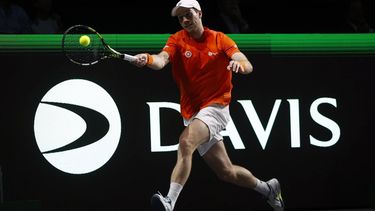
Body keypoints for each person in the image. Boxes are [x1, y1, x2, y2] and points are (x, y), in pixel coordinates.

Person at [131, 0, 285, 210]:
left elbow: (247, 64)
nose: (185, 20)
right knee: (226, 172)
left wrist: (238, 64)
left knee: (186, 142)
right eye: (180, 17)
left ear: (200, 13)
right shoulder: (177, 40)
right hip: (194, 113)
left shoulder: (220, 39)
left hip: (216, 107)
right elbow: (161, 60)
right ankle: (268, 189)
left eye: (189, 14)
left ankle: (169, 201)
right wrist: (147, 59)